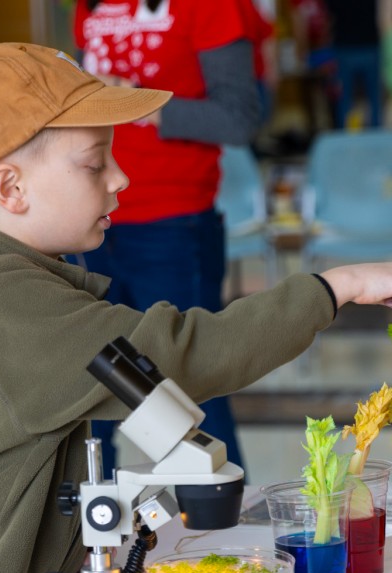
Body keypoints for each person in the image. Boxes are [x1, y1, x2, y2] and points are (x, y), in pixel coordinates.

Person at [0, 43, 392, 573]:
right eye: (94, 164)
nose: (120, 178)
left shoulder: (18, 279)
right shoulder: (0, 297)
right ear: (11, 189)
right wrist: (333, 288)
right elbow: (178, 354)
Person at [71, 0, 263, 476]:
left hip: (173, 225)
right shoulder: (90, 6)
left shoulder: (210, 7)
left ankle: (227, 534)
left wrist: (138, 100)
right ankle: (88, 541)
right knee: (89, 394)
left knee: (186, 391)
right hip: (87, 221)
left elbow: (239, 118)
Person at [323, 0, 382, 129]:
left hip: (345, 47)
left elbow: (328, 15)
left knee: (344, 98)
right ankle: (377, 133)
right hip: (368, 45)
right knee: (374, 98)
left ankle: (344, 134)